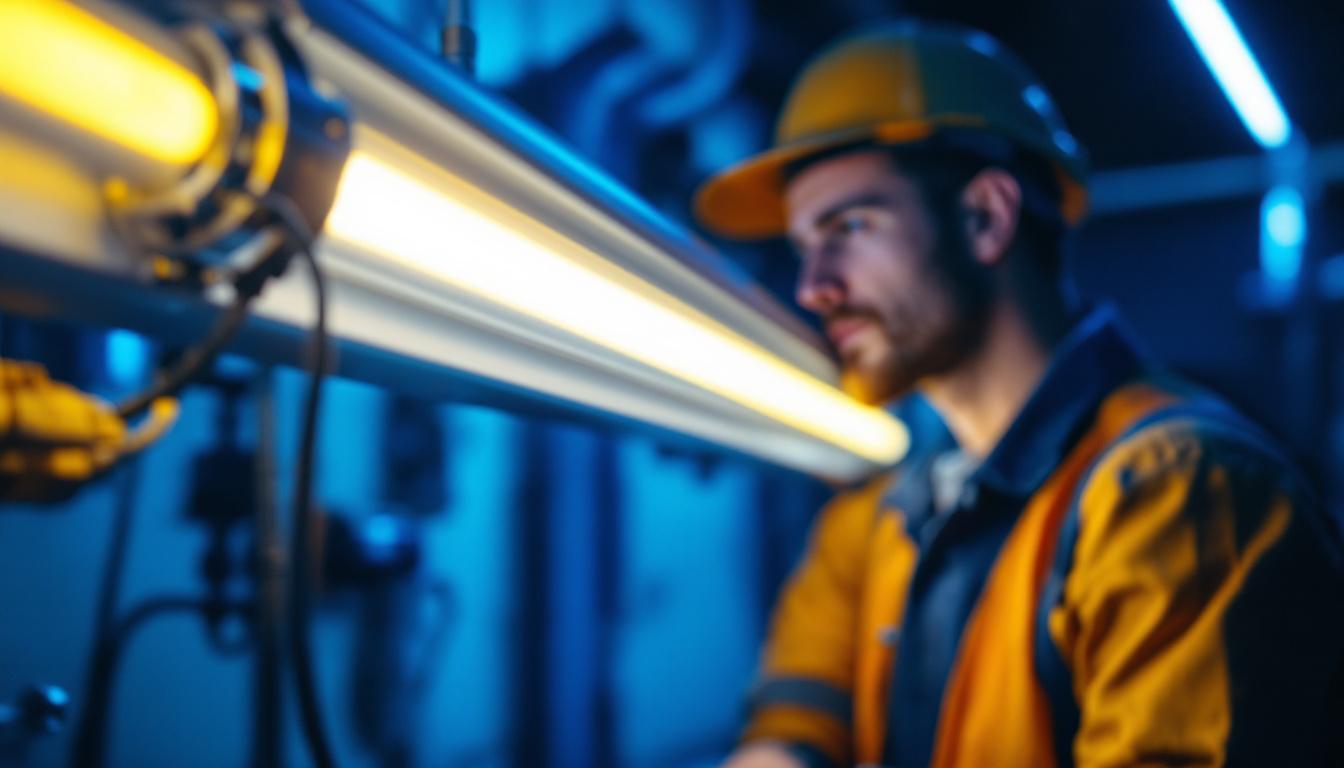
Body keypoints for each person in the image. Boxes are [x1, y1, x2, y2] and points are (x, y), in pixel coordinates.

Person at [692, 22, 1344, 768]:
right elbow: (801, 709)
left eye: (849, 226)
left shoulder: (1177, 494)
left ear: (986, 217)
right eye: (805, 249)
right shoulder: (879, 518)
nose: (814, 288)